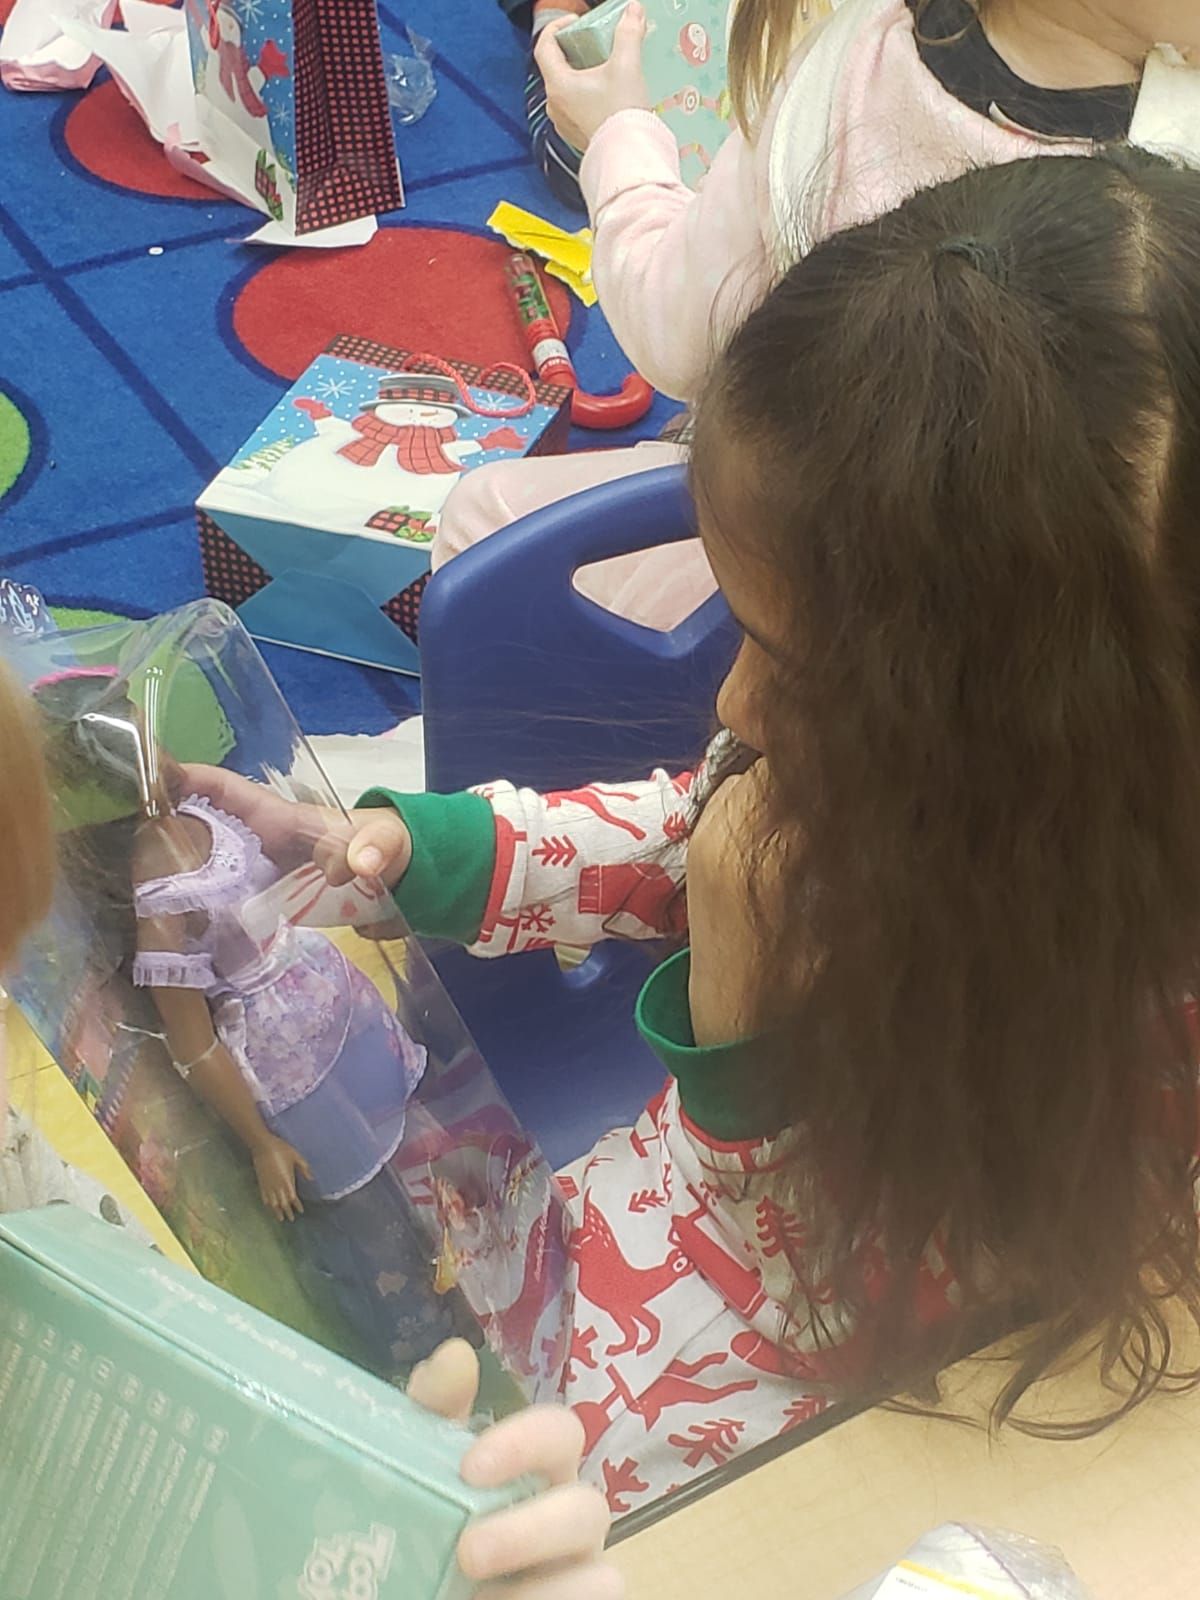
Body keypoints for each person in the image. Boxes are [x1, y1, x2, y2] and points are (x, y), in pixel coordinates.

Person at [211, 148, 1200, 1512]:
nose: (734, 702)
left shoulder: (1126, 1020)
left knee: (467, 1500)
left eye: (802, 671)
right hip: (658, 1238)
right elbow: (694, 821)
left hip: (832, 1385)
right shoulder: (941, 773)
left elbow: (846, 1315)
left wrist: (737, 1034)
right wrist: (421, 848)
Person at [0, 661, 621, 1599]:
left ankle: (476, 1317)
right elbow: (192, 1039)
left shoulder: (206, 818)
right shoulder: (158, 893)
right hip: (284, 1076)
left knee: (431, 1181)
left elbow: (283, 840)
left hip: (336, 1019)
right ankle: (412, 1344)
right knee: (369, 1237)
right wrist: (257, 1142)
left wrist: (301, 830)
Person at [435, 0, 1200, 631]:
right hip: (1075, 665)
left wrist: (616, 142)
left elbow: (676, 336)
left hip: (798, 595)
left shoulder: (844, 60)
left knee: (484, 529)